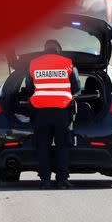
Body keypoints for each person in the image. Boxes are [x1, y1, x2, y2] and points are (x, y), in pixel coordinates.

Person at [26, 39, 80, 189]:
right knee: (62, 146)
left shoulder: (34, 64)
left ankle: (45, 181)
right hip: (62, 111)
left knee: (43, 146)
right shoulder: (68, 63)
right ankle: (62, 180)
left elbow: (29, 88)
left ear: (44, 50)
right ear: (59, 50)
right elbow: (76, 88)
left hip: (41, 112)